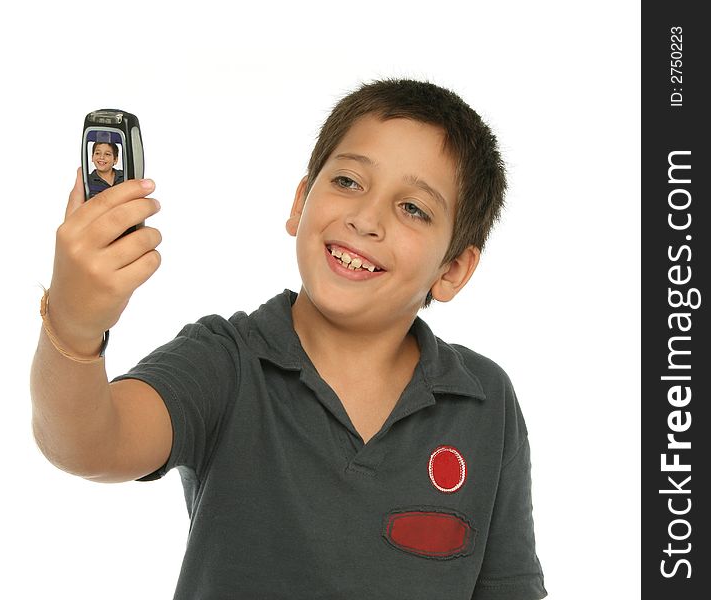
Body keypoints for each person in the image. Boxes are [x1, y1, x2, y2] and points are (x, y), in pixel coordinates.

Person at [31, 79, 547, 599]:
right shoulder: (224, 361)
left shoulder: (485, 401)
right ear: (301, 201)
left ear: (454, 268)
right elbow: (86, 444)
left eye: (413, 208)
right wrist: (74, 322)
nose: (365, 218)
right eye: (348, 181)